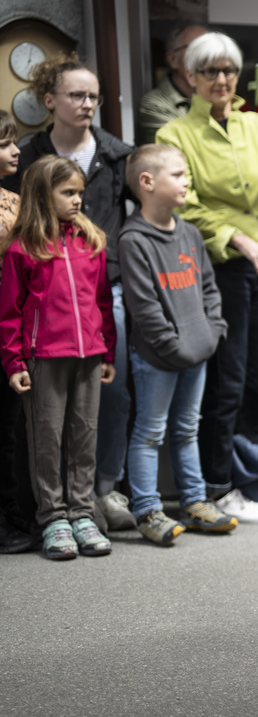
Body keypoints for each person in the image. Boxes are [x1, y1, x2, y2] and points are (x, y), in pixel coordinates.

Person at [157, 31, 258, 525]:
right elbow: (185, 203)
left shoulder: (255, 124)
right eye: (209, 71)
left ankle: (243, 476)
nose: (221, 80)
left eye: (228, 71)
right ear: (191, 77)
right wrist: (238, 238)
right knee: (227, 381)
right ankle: (216, 485)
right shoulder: (175, 135)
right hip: (219, 264)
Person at [5, 53, 134, 535]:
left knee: (100, 409)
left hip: (98, 307)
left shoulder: (115, 154)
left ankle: (95, 499)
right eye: (77, 95)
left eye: (93, 97)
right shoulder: (28, 157)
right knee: (45, 424)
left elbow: (121, 232)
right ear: (49, 100)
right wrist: (15, 358)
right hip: (45, 324)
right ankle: (51, 513)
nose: (86, 104)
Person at [0, 156, 117, 560]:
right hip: (43, 357)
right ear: (41, 195)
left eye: (80, 192)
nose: (78, 200)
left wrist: (108, 352)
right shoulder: (23, 248)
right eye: (68, 192)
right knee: (46, 440)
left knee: (84, 437)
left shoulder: (92, 241)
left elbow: (103, 301)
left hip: (89, 354)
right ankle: (53, 518)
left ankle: (82, 513)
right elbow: (10, 312)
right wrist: (14, 362)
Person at [119, 144, 235, 544]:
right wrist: (173, 346)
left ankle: (195, 500)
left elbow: (208, 289)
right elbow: (144, 306)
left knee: (187, 429)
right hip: (158, 358)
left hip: (197, 351)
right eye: (179, 175)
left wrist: (212, 330)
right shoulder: (134, 240)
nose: (188, 181)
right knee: (150, 432)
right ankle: (148, 510)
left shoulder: (188, 231)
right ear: (147, 183)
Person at [0, 110, 37, 554]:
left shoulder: (15, 198)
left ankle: (13, 515)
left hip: (10, 322)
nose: (15, 151)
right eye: (6, 144)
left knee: (9, 427)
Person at [137, 23, 209, 145]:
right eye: (197, 49)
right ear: (172, 59)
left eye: (212, 50)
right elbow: (176, 154)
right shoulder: (156, 104)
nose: (207, 56)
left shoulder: (216, 97)